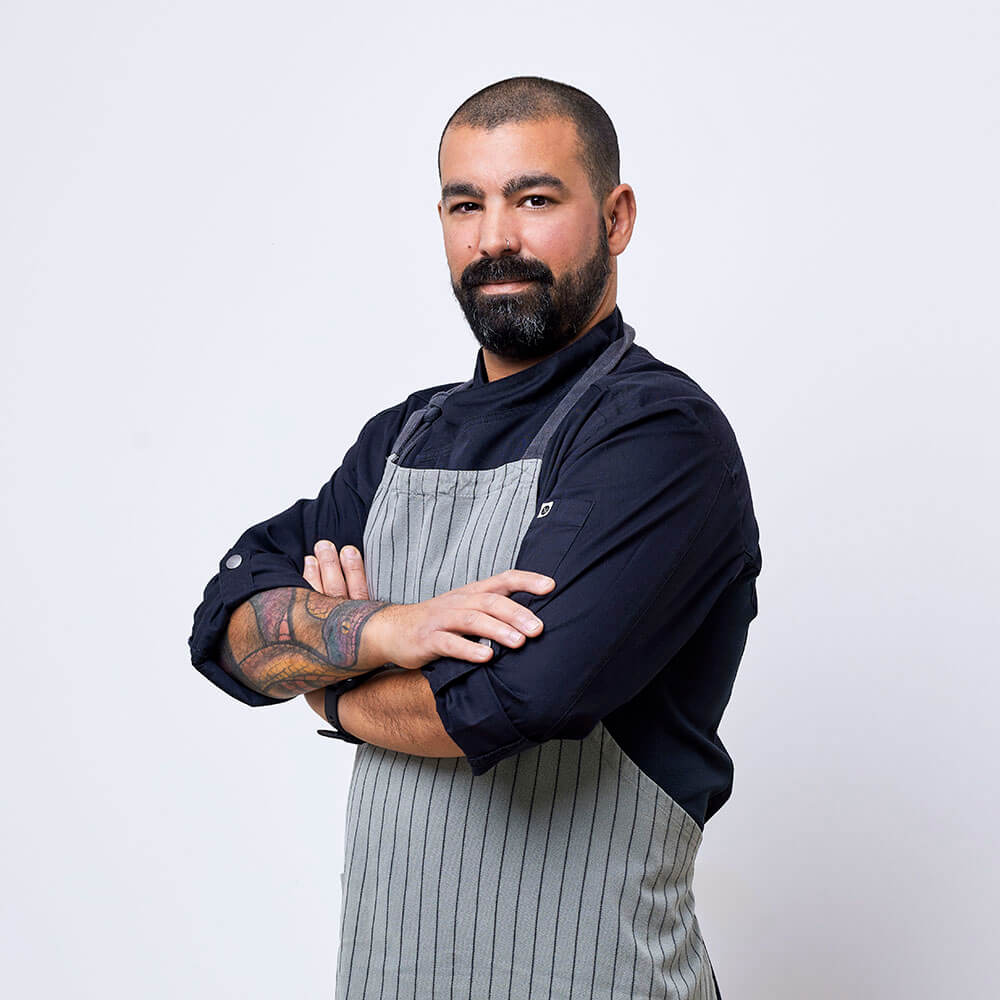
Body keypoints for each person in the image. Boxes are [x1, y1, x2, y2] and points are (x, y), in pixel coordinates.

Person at [189, 75, 762, 1000]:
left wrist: (327, 691)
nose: (495, 236)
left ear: (616, 217)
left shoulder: (659, 436)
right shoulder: (399, 438)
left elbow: (512, 697)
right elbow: (225, 625)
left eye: (534, 198)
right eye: (467, 204)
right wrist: (384, 633)